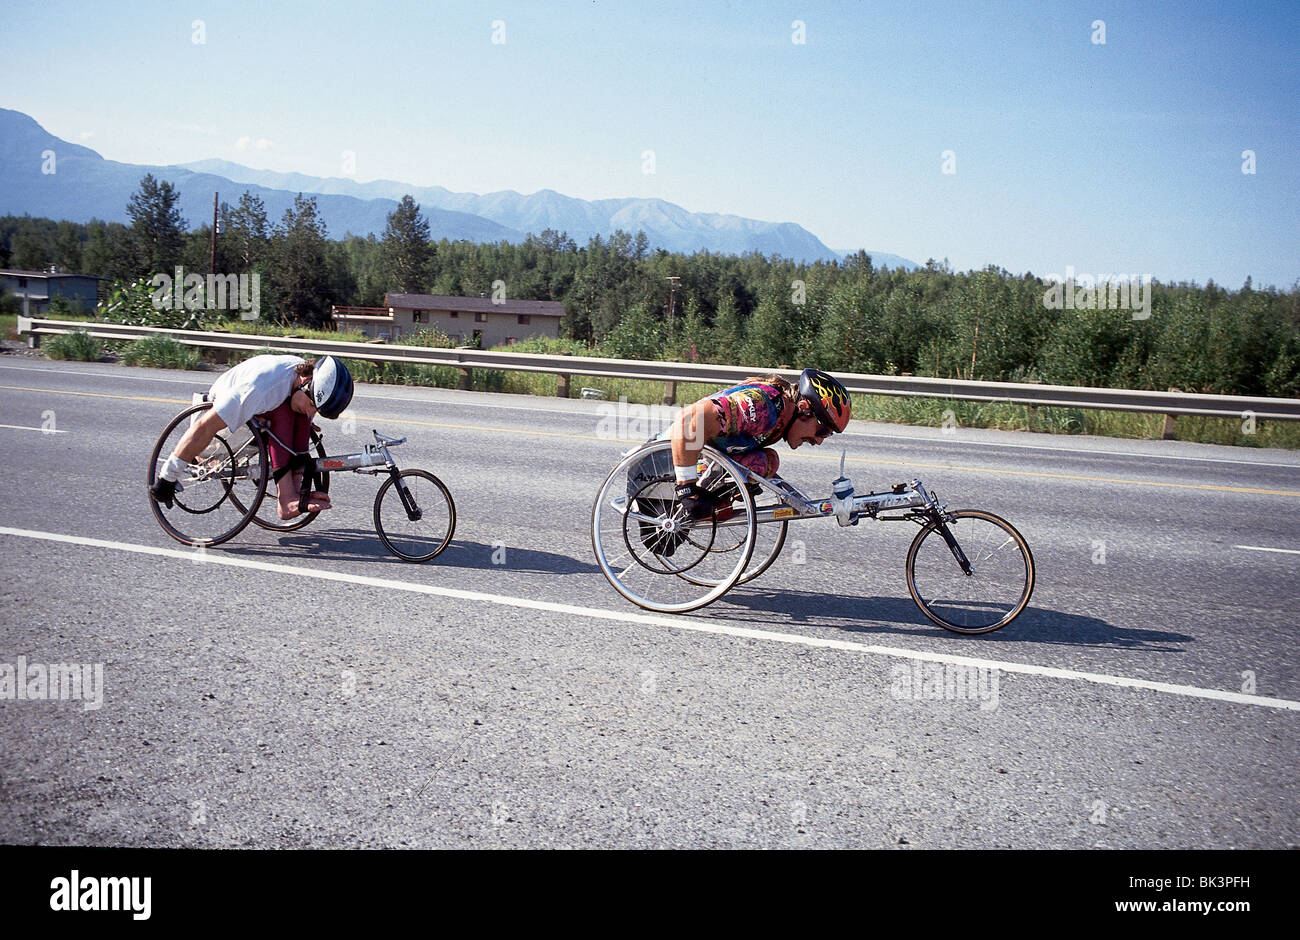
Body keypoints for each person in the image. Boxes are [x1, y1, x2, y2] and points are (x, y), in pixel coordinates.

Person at [150, 354, 354, 520]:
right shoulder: (260, 389)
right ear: (306, 381)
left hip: (258, 410)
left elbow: (302, 407)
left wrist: (306, 414)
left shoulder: (298, 377)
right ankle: (286, 499)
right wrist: (167, 478)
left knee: (300, 416)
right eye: (312, 406)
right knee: (284, 413)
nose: (312, 412)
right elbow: (204, 426)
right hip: (222, 421)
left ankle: (294, 490)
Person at [666, 368, 852, 519]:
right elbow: (689, 420)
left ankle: (711, 506)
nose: (819, 441)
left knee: (767, 461)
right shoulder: (762, 407)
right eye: (823, 431)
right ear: (805, 410)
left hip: (693, 465)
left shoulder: (780, 417)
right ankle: (691, 497)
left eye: (827, 435)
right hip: (660, 468)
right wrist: (686, 489)